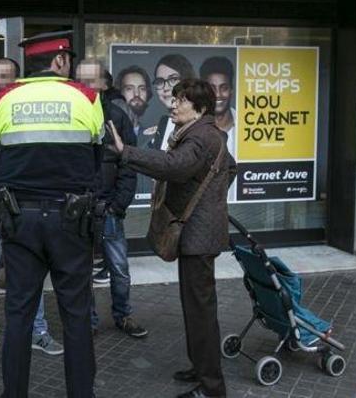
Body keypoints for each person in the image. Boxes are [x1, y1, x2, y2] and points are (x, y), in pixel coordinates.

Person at [107, 79, 236, 398]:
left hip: (198, 237)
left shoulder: (200, 136)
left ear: (200, 108)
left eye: (181, 100)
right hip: (199, 233)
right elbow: (230, 169)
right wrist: (211, 200)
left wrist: (127, 152)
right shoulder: (207, 133)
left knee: (200, 312)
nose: (173, 105)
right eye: (175, 98)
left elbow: (174, 167)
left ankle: (211, 387)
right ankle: (202, 367)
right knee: (196, 308)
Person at [0, 31, 103, 398]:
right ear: (58, 62)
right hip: (71, 221)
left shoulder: (3, 99)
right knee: (75, 314)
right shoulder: (87, 97)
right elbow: (97, 151)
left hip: (19, 219)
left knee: (19, 314)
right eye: (67, 59)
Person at [0, 58, 64, 372]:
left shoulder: (29, 113)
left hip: (23, 216)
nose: (0, 81)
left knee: (30, 281)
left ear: (18, 81)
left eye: (7, 76)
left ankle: (38, 332)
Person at [75, 59, 147, 339]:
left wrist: (119, 204)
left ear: (104, 85)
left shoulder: (117, 117)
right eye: (80, 79)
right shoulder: (70, 115)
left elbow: (129, 164)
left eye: (91, 80)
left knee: (119, 268)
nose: (86, 85)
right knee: (81, 272)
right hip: (80, 210)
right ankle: (89, 321)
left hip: (110, 209)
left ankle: (123, 315)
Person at [199, 56, 237, 201]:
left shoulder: (248, 126)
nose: (218, 95)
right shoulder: (193, 130)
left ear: (231, 90)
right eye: (212, 89)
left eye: (224, 88)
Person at [143, 54, 196, 151]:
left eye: (173, 79)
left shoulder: (199, 124)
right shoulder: (163, 123)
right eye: (160, 81)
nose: (166, 88)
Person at [115, 65, 151, 135]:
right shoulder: (107, 133)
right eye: (129, 88)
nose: (137, 94)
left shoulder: (152, 136)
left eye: (142, 88)